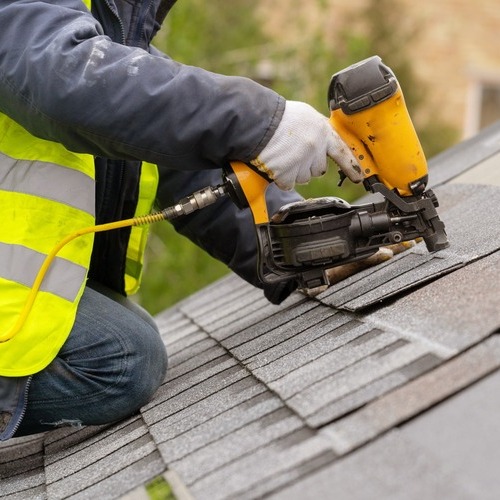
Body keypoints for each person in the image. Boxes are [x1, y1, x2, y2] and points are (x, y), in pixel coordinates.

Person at [0, 0, 363, 441]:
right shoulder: (52, 33)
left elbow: (183, 159)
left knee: (127, 336)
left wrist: (299, 241)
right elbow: (66, 77)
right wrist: (255, 121)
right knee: (120, 357)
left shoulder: (109, 28)